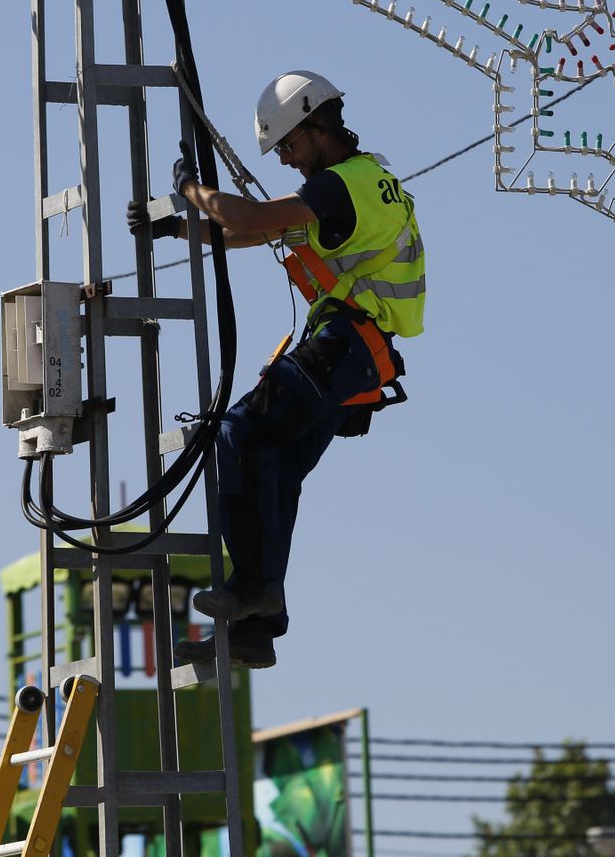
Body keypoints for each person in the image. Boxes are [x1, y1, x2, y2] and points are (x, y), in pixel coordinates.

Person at [131, 71, 425, 668]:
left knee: (239, 433)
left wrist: (189, 188)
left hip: (346, 344)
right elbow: (244, 233)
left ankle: (253, 590)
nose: (287, 160)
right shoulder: (361, 184)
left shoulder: (342, 183)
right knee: (277, 467)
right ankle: (257, 626)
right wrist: (177, 228)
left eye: (288, 145)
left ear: (316, 125)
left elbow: (244, 218)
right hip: (358, 354)